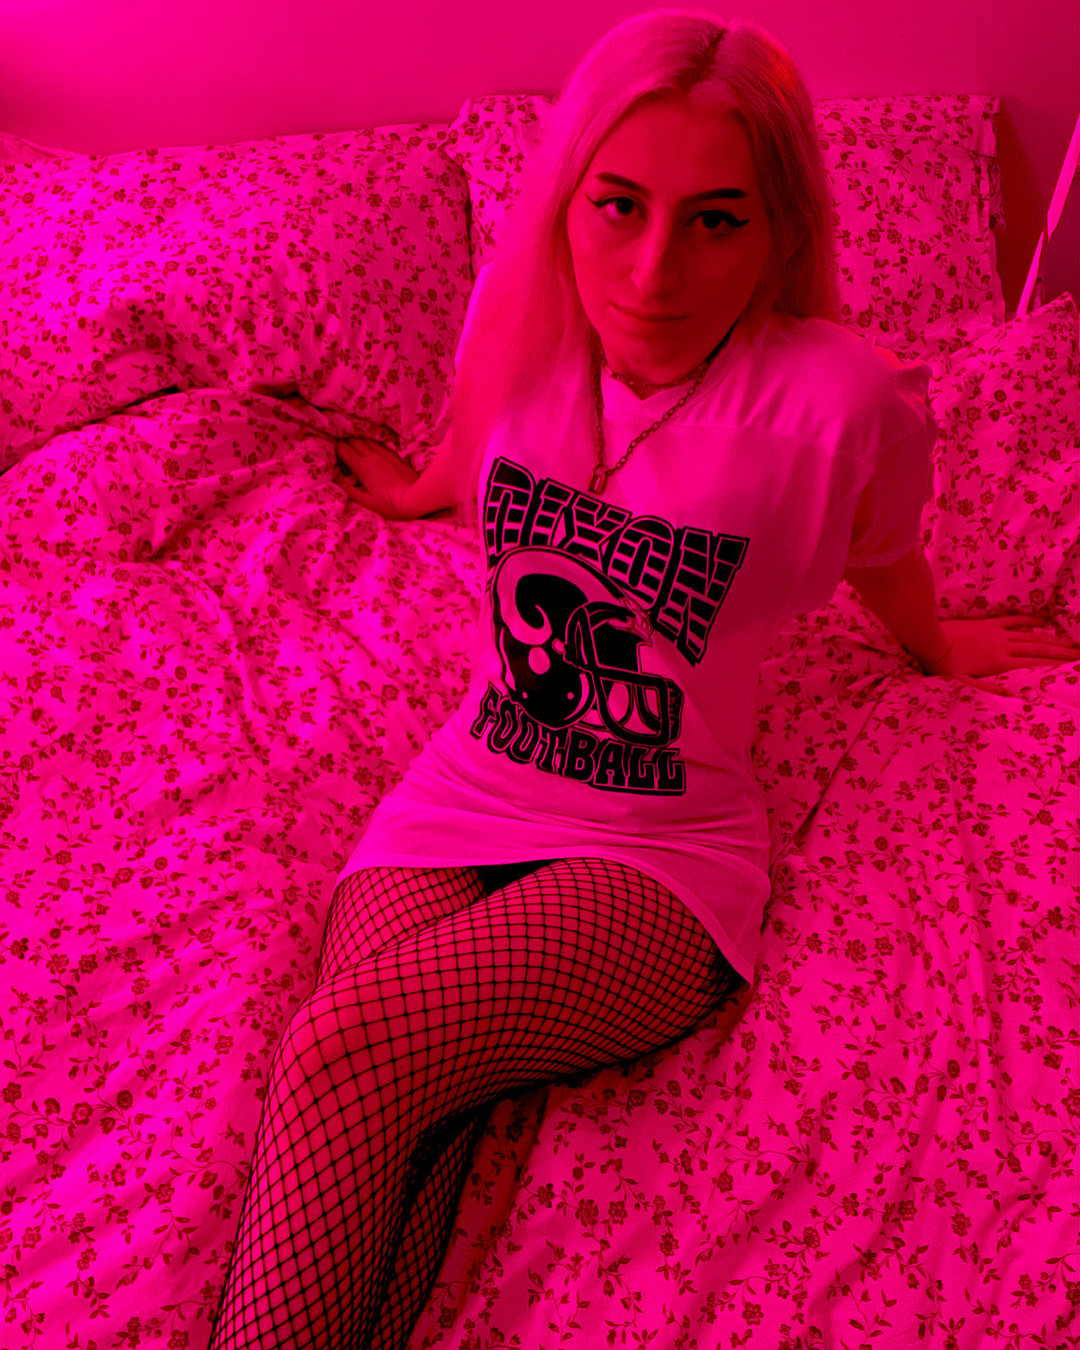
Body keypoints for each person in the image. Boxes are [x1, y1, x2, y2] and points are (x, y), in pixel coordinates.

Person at [208, 10, 1079, 1350]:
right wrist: (418, 488)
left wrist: (941, 643)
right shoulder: (517, 324)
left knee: (344, 1049)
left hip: (661, 847)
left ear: (779, 232)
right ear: (568, 198)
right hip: (466, 783)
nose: (654, 271)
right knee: (398, 1088)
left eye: (716, 221)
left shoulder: (838, 403)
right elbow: (473, 447)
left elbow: (886, 551)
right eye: (618, 205)